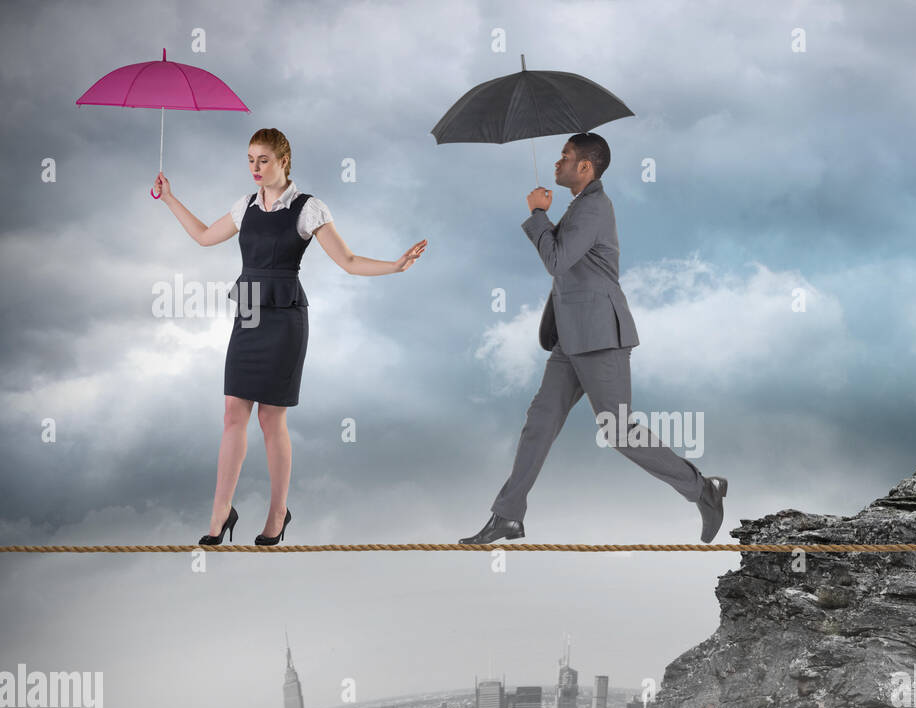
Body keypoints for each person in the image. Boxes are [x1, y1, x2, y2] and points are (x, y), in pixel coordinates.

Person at [154, 128, 426, 546]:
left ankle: (278, 513)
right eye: (249, 160)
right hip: (247, 310)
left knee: (269, 417)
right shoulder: (244, 206)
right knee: (232, 413)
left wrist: (395, 265)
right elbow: (205, 236)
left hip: (285, 319)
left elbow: (349, 261)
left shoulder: (308, 207)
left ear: (284, 160)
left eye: (263, 159)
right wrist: (170, 197)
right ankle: (220, 512)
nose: (255, 168)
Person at [460, 132, 728, 544]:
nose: (557, 163)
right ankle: (508, 515)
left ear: (585, 166)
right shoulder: (580, 207)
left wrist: (536, 213)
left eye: (564, 157)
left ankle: (702, 489)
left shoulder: (594, 208)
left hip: (601, 338)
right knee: (539, 423)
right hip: (571, 339)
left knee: (619, 432)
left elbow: (557, 260)